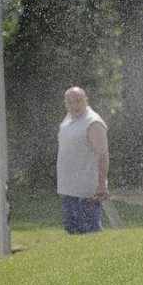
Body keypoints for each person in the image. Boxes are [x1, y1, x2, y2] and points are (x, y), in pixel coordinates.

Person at [57, 86, 109, 234]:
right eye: (70, 102)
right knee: (72, 230)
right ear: (65, 104)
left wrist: (101, 185)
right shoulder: (69, 118)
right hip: (70, 189)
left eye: (78, 101)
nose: (74, 105)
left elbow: (102, 154)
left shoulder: (93, 123)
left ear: (86, 100)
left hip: (87, 191)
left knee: (89, 233)